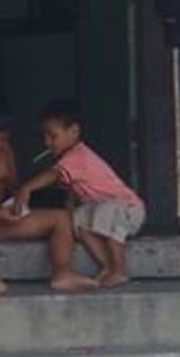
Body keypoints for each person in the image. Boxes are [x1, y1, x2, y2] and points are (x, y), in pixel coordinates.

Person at [0, 111, 99, 299]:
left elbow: (13, 186)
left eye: (2, 140)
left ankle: (63, 273)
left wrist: (17, 203)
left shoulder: (4, 150)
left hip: (2, 221)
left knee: (62, 218)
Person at [12, 103, 145, 288]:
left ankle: (119, 270)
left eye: (52, 136)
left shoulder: (78, 156)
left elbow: (54, 175)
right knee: (78, 221)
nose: (47, 142)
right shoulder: (68, 161)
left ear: (74, 131)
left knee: (107, 211)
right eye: (45, 136)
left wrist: (26, 188)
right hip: (105, 209)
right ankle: (107, 266)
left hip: (128, 208)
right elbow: (71, 193)